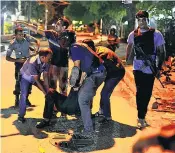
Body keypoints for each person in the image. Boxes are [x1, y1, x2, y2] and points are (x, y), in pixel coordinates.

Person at [15, 17, 70, 117]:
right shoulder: (51, 34)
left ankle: (63, 111)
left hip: (64, 66)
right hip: (52, 65)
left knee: (63, 89)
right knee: (52, 88)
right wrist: (23, 23)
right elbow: (36, 29)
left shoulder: (69, 36)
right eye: (56, 23)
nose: (55, 25)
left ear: (64, 27)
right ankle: (53, 109)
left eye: (58, 24)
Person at [58, 30, 106, 135]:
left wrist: (72, 82)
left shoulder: (74, 48)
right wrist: (78, 83)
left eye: (62, 39)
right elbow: (85, 66)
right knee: (84, 97)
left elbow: (76, 68)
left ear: (67, 40)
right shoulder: (79, 45)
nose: (61, 42)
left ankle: (88, 130)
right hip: (98, 72)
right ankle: (85, 122)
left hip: (95, 74)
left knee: (83, 100)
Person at [126, 10, 166, 129]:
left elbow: (162, 52)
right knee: (139, 92)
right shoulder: (133, 34)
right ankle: (140, 117)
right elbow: (129, 50)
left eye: (144, 19)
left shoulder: (156, 34)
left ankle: (142, 115)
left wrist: (158, 68)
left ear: (147, 20)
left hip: (150, 68)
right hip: (137, 68)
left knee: (147, 93)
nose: (141, 22)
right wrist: (127, 60)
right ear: (137, 20)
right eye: (139, 20)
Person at [82, 39, 125, 123]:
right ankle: (102, 112)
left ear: (90, 47)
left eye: (84, 48)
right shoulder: (96, 49)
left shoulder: (100, 55)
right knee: (101, 91)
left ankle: (107, 116)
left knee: (105, 93)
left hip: (116, 73)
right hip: (110, 71)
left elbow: (95, 72)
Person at [6, 27, 40, 108]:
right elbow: (7, 57)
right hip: (19, 64)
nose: (22, 36)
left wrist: (36, 49)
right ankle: (17, 99)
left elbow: (37, 41)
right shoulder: (12, 44)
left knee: (29, 81)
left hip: (29, 63)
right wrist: (17, 60)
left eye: (22, 34)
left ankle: (26, 99)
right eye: (20, 35)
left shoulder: (27, 39)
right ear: (15, 35)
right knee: (18, 81)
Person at [18, 48, 53, 123]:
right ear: (43, 57)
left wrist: (47, 90)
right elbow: (36, 80)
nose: (50, 60)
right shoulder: (32, 62)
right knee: (23, 95)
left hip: (35, 77)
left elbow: (46, 76)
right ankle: (21, 116)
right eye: (49, 58)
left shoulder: (47, 62)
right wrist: (44, 92)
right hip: (25, 77)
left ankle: (47, 115)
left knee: (49, 92)